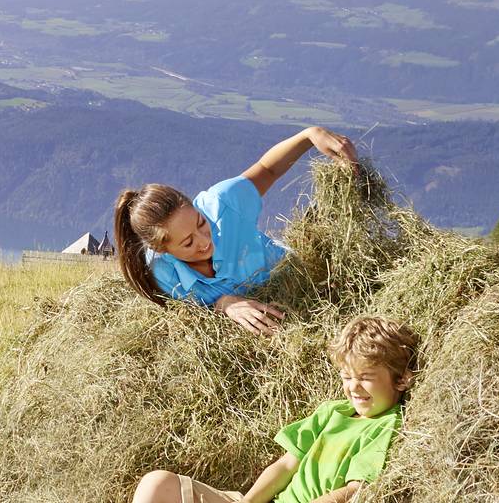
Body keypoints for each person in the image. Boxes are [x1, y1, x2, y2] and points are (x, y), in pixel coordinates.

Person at [131, 315, 417, 503]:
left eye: (365, 378)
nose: (354, 387)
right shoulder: (332, 413)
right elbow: (285, 465)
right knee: (156, 485)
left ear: (401, 379)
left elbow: (355, 490)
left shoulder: (385, 426)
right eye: (346, 377)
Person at [114, 125, 358, 334]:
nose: (204, 242)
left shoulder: (222, 205)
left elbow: (268, 169)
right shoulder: (164, 275)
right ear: (162, 249)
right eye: (188, 243)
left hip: (301, 281)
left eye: (201, 223)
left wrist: (309, 135)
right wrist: (224, 304)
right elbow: (189, 319)